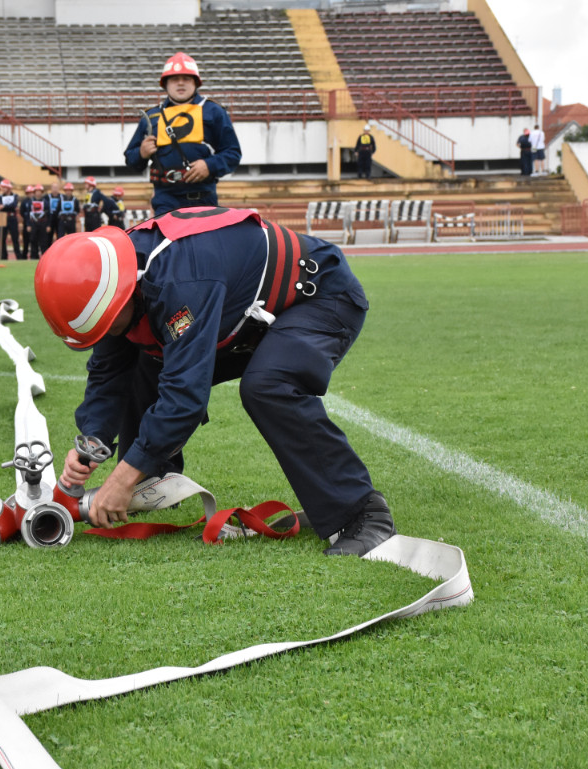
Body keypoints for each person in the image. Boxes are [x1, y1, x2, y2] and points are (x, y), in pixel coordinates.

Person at [34, 207, 395, 557]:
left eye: (108, 325)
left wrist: (121, 477)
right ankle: (153, 481)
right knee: (143, 354)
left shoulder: (180, 282)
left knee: (269, 386)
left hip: (320, 295)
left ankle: (362, 513)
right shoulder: (116, 273)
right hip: (251, 314)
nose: (109, 335)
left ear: (122, 294)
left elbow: (184, 396)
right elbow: (109, 368)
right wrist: (93, 439)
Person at [123, 52, 241, 215]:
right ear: (165, 84)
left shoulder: (214, 112)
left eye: (186, 78)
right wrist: (141, 153)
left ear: (195, 82)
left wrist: (209, 165)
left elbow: (233, 153)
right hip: (165, 203)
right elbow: (131, 159)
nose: (180, 83)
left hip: (204, 200)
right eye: (174, 79)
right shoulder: (151, 116)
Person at [0, 179, 23, 260]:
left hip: (12, 218)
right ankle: (3, 256)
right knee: (2, 238)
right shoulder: (0, 197)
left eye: (4, 187)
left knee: (15, 238)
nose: (2, 189)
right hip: (3, 217)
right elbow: (0, 207)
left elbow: (14, 205)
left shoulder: (15, 196)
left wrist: (4, 206)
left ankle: (18, 256)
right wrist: (9, 207)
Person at [24, 184, 49, 259]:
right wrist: (28, 224)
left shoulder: (45, 202)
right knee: (33, 240)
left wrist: (48, 225)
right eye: (37, 191)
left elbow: (49, 214)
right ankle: (33, 256)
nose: (38, 193)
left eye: (39, 191)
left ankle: (44, 257)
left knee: (43, 241)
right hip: (33, 223)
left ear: (42, 192)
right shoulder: (30, 202)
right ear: (34, 192)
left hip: (43, 223)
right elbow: (27, 214)